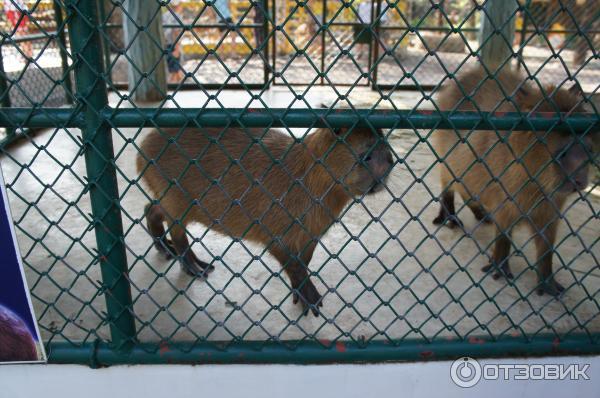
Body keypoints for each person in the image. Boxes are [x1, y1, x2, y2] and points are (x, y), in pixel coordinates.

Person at [162, 0, 185, 83]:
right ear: (179, 5)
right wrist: (177, 48)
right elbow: (176, 31)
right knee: (174, 72)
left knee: (175, 70)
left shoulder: (164, 16)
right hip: (174, 45)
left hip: (166, 44)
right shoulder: (177, 16)